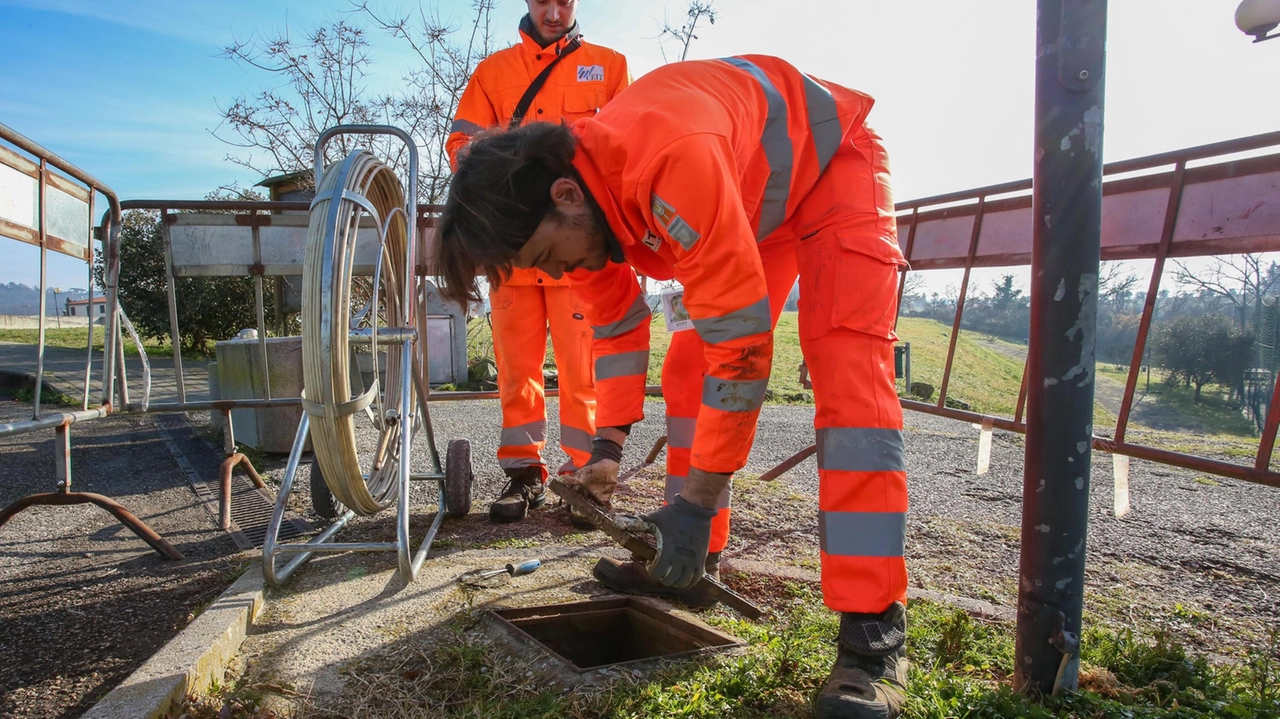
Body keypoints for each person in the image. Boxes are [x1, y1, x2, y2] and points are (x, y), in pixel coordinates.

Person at [436, 55, 910, 719]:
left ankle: (873, 633)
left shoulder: (667, 160)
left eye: (549, 259)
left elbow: (743, 349)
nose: (559, 271)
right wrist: (608, 443)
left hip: (835, 166)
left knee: (848, 375)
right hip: (757, 198)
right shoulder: (584, 201)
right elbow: (620, 322)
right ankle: (696, 563)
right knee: (689, 368)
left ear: (564, 195)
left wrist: (698, 494)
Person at [446, 0, 631, 523]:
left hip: (575, 250)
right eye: (542, 0)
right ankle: (523, 473)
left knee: (582, 371)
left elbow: (626, 150)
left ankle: (584, 477)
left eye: (564, 0)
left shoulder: (611, 66)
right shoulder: (492, 73)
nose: (554, 10)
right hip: (512, 252)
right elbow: (461, 147)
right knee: (516, 371)